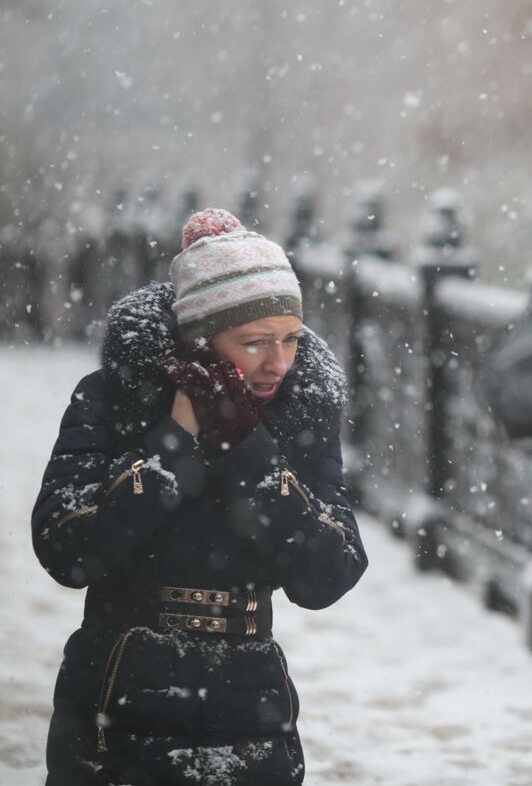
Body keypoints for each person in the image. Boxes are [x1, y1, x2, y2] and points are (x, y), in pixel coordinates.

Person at [32, 208, 368, 785]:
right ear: (200, 337)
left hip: (252, 700)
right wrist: (175, 442)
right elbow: (67, 549)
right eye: (255, 342)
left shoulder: (299, 414)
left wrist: (247, 450)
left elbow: (329, 574)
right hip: (118, 686)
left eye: (289, 339)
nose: (279, 363)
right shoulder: (113, 399)